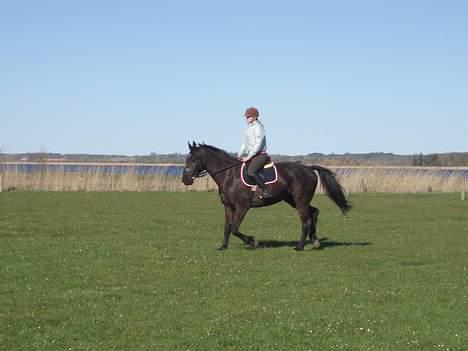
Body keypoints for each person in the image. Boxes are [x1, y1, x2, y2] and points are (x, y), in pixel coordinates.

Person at [237, 106, 273, 199]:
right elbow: (245, 144)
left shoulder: (258, 127)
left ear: (255, 117)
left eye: (248, 116)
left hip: (260, 155)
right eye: (246, 117)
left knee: (251, 172)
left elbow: (257, 145)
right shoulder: (248, 128)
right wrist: (239, 154)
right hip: (252, 155)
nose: (247, 118)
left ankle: (266, 191)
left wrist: (248, 157)